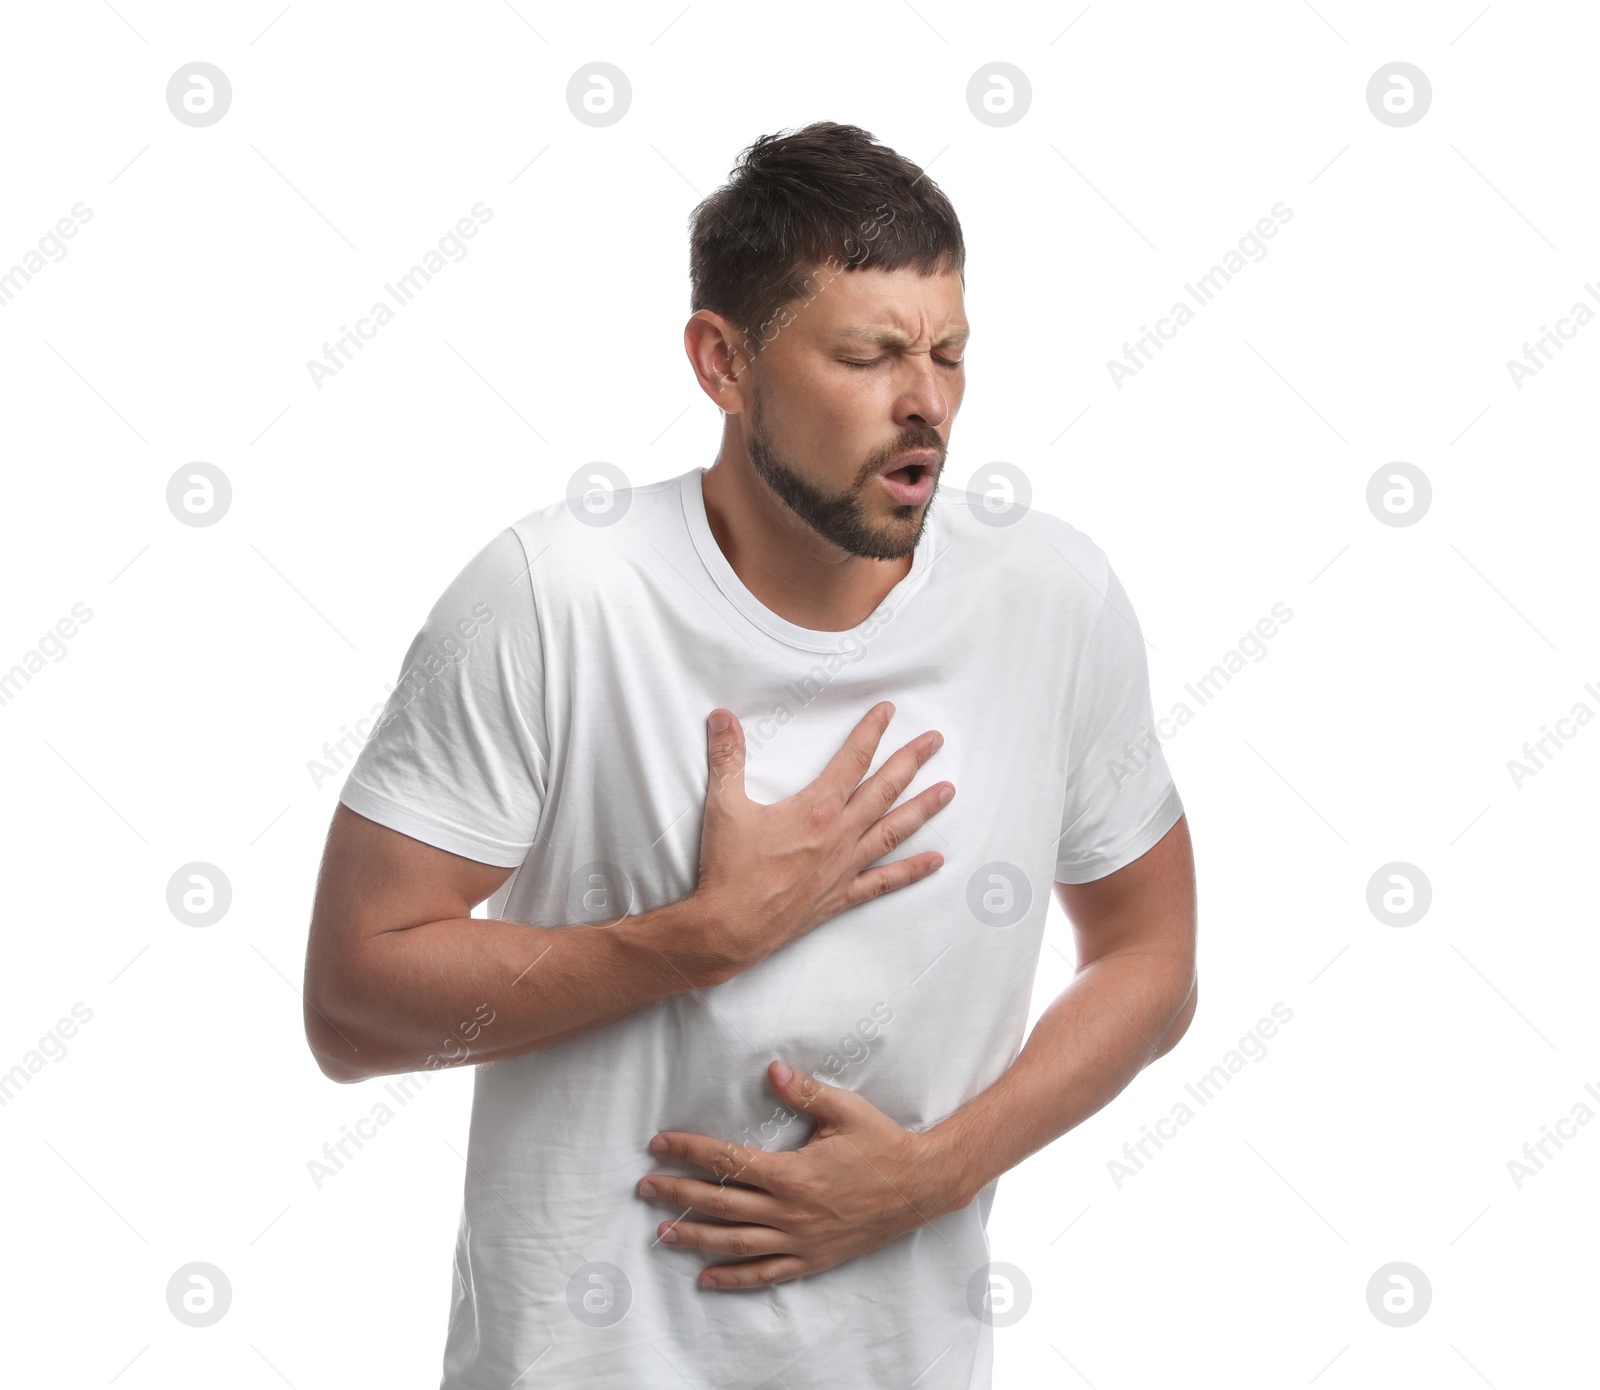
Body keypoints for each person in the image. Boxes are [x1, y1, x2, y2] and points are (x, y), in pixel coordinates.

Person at [303, 119, 1197, 1390]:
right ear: (724, 362)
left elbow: (1153, 961)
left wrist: (931, 1174)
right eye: (868, 354)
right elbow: (351, 1002)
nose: (924, 403)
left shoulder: (1049, 598)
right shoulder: (558, 595)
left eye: (947, 353)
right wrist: (700, 937)